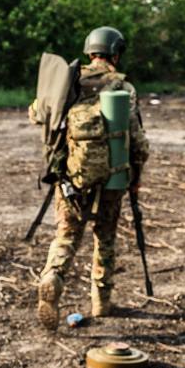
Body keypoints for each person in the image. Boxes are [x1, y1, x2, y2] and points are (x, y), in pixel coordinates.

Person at [35, 27, 150, 330]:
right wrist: (135, 175)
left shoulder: (69, 81)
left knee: (68, 234)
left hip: (72, 176)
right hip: (112, 178)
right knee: (106, 237)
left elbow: (39, 114)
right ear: (115, 53)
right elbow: (137, 141)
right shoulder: (123, 86)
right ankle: (101, 302)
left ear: (90, 52)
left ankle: (52, 276)